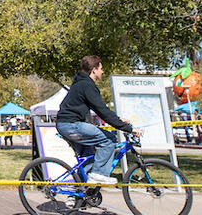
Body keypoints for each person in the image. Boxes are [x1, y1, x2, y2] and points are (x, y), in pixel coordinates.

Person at [53, 55, 138, 185]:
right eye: (101, 68)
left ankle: (76, 196)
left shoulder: (81, 84)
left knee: (88, 160)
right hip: (71, 125)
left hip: (67, 124)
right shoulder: (87, 85)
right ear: (94, 70)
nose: (102, 72)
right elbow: (103, 111)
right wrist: (129, 129)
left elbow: (99, 110)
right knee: (109, 140)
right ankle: (99, 174)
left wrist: (119, 119)